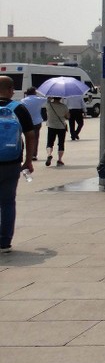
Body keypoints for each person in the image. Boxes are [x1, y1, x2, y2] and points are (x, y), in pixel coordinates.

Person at [0, 75, 37, 253]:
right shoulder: (19, 108)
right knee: (7, 202)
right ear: (10, 90)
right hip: (11, 163)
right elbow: (30, 136)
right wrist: (28, 160)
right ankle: (5, 242)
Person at [20, 87, 45, 162]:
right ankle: (34, 154)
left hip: (26, 122)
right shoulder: (39, 99)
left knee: (27, 138)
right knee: (35, 138)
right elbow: (48, 99)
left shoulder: (23, 100)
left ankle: (26, 154)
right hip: (37, 121)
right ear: (34, 92)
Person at [44, 96, 69, 167]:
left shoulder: (48, 105)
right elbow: (68, 116)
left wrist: (49, 99)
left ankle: (49, 154)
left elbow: (47, 102)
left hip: (51, 126)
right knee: (61, 143)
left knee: (50, 143)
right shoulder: (64, 106)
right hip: (61, 126)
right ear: (60, 98)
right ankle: (59, 160)